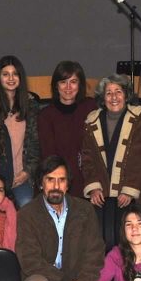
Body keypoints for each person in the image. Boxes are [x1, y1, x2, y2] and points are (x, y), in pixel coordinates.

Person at [16, 156, 105, 281]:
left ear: (68, 184)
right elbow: (30, 261)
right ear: (41, 183)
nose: (56, 186)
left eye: (61, 180)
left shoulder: (84, 210)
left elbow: (95, 253)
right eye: (50, 179)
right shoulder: (27, 213)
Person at [81, 74, 141, 249]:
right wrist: (93, 187)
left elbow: (140, 157)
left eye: (118, 92)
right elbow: (87, 157)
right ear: (102, 98)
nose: (114, 97)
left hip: (129, 194)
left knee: (128, 242)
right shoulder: (91, 120)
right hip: (101, 195)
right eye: (109, 93)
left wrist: (128, 189)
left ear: (126, 95)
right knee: (100, 242)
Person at [38, 60, 96, 197]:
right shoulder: (46, 116)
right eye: (63, 82)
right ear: (56, 85)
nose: (68, 87)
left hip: (90, 182)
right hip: (58, 181)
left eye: (73, 82)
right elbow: (49, 157)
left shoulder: (91, 108)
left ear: (80, 84)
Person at [0, 55, 40, 208]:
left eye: (15, 74)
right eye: (5, 74)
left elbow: (35, 145)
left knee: (27, 206)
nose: (11, 78)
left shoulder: (31, 107)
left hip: (22, 176)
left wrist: (27, 172)